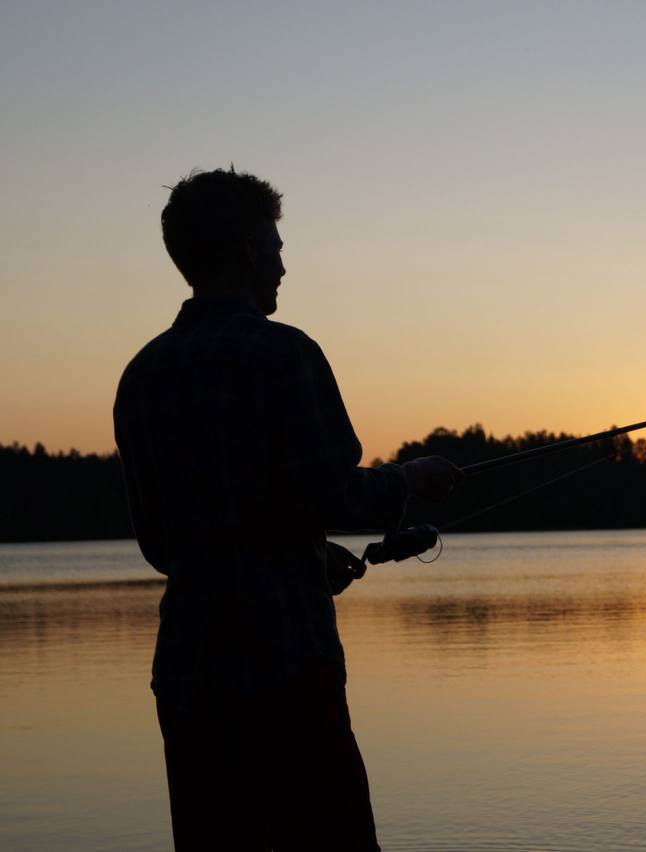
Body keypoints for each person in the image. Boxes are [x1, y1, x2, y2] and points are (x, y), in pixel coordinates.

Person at [113, 167, 458, 851]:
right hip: (287, 668)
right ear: (245, 248)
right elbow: (332, 494)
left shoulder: (143, 373)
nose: (282, 263)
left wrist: (299, 552)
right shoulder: (284, 353)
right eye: (273, 243)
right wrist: (408, 480)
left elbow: (163, 544)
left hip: (188, 676)